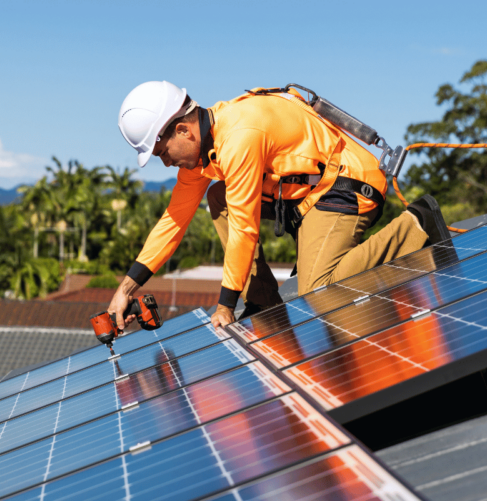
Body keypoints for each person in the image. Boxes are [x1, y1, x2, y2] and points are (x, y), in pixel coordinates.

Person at [107, 81, 452, 330]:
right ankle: (263, 303)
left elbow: (245, 226)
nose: (166, 163)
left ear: (183, 130)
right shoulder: (204, 153)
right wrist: (126, 289)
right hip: (307, 198)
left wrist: (226, 305)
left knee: (319, 288)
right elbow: (174, 220)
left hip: (347, 184)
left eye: (163, 152)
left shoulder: (240, 135)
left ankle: (416, 224)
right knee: (218, 196)